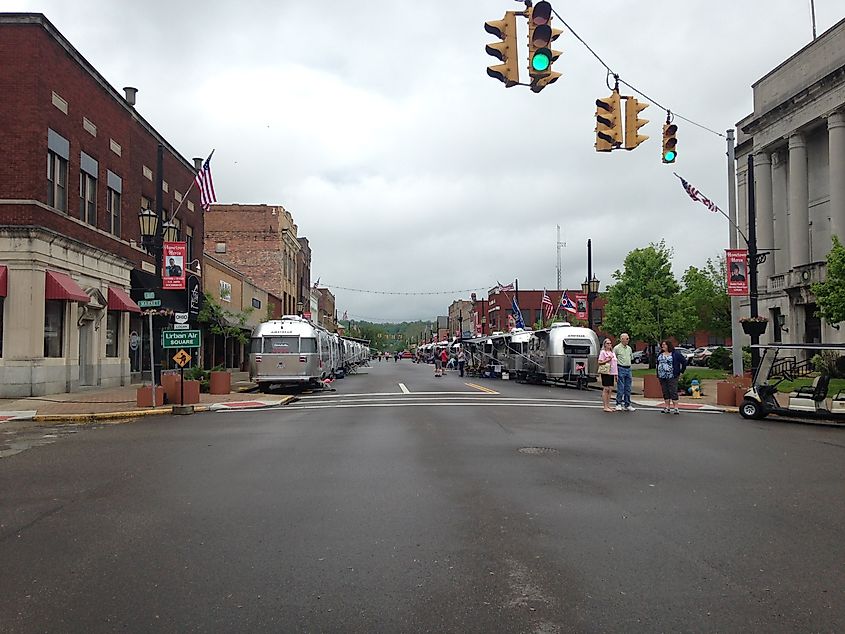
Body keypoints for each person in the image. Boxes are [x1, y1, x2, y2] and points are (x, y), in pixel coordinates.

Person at [656, 339, 688, 415]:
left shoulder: (675, 354)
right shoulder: (660, 354)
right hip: (662, 375)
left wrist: (681, 371)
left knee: (673, 390)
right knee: (665, 391)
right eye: (662, 345)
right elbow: (658, 363)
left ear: (668, 346)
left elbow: (684, 361)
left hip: (672, 375)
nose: (663, 346)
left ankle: (676, 408)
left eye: (664, 345)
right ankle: (667, 407)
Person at [613, 333, 635, 411]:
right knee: (621, 387)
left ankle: (627, 404)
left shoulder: (629, 348)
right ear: (622, 339)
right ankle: (618, 403)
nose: (628, 340)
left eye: (628, 338)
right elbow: (614, 360)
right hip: (620, 368)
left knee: (628, 388)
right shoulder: (617, 348)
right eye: (627, 339)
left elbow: (631, 357)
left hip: (628, 368)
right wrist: (615, 372)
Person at [597, 338, 618, 412]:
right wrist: (607, 360)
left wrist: (616, 375)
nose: (609, 345)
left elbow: (615, 364)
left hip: (612, 372)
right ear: (604, 344)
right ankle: (605, 406)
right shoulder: (603, 352)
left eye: (610, 343)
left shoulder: (612, 353)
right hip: (606, 372)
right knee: (606, 388)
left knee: (611, 389)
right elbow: (599, 362)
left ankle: (608, 405)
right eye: (607, 343)